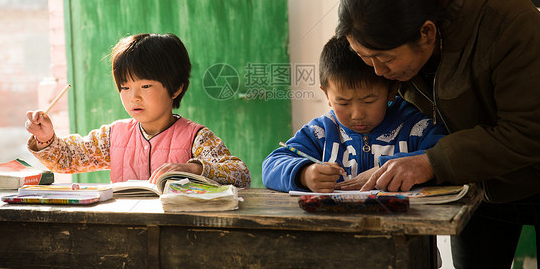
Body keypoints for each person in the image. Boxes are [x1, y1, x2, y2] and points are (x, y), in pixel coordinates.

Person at [336, 0, 540, 268]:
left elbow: (529, 131)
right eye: (365, 58)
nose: (377, 72)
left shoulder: (508, 21)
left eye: (386, 59)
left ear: (427, 32)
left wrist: (432, 162)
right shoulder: (392, 49)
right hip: (475, 186)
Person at [25, 33, 251, 188]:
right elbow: (69, 159)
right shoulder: (113, 136)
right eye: (125, 87)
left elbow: (240, 175)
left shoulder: (196, 138)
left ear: (176, 88)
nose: (134, 97)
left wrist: (192, 168)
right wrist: (46, 138)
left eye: (145, 86)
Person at [262, 36, 445, 193]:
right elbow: (270, 166)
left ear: (392, 90)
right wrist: (304, 174)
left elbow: (441, 155)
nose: (357, 114)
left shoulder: (415, 127)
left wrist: (391, 167)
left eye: (369, 101)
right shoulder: (321, 132)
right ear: (327, 95)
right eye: (343, 103)